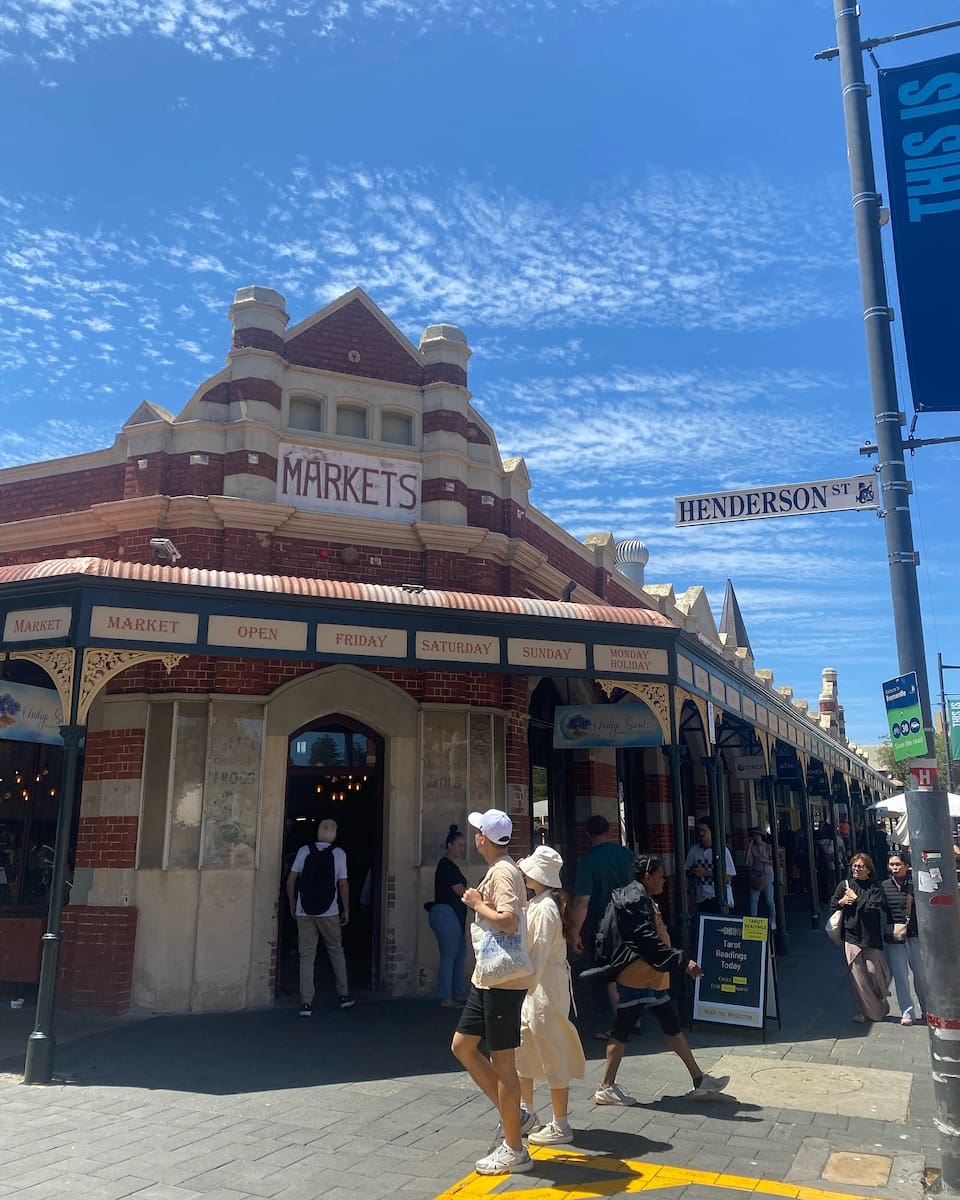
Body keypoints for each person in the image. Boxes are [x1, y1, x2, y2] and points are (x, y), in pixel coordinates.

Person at [586, 853, 728, 1105]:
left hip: (650, 977)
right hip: (640, 977)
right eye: (660, 877)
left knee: (669, 1027)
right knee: (623, 1030)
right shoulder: (637, 900)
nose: (664, 881)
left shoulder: (639, 897)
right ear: (647, 876)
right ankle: (606, 1086)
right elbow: (646, 941)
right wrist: (682, 961)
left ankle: (699, 1079)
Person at [451, 808, 535, 1177]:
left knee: (504, 1065)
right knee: (462, 1045)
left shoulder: (502, 871)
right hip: (486, 979)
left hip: (502, 982)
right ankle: (513, 1114)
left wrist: (476, 903)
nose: (474, 837)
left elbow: (509, 920)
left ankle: (515, 1149)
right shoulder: (501, 868)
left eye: (477, 832)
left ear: (484, 837)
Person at [514, 845, 586, 1146]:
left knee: (551, 1046)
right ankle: (527, 1111)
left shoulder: (544, 908)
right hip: (538, 985)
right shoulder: (540, 903)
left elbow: (538, 952)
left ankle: (560, 1122)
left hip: (544, 986)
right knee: (525, 1046)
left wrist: (521, 983)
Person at [567, 814, 635, 1034]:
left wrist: (574, 932)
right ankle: (635, 1019)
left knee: (612, 975)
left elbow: (581, 902)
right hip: (633, 918)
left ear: (588, 835)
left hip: (606, 923)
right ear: (609, 830)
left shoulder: (588, 862)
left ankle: (622, 1025)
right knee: (630, 968)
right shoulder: (626, 855)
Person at [285, 818, 354, 1014]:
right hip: (329, 911)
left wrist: (292, 903)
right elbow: (343, 884)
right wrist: (346, 909)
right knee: (335, 950)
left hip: (304, 910)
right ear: (335, 834)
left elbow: (291, 881)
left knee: (306, 955)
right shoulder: (339, 854)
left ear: (317, 832)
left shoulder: (304, 851)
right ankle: (344, 995)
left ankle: (306, 1002)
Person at [830, 851, 892, 1024]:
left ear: (868, 869)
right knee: (859, 978)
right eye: (854, 866)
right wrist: (842, 902)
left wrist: (856, 900)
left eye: (860, 866)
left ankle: (880, 1002)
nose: (856, 869)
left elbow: (872, 909)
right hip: (851, 934)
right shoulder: (845, 885)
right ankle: (868, 1012)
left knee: (875, 973)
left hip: (871, 936)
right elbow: (833, 904)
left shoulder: (874, 887)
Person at [881, 852, 926, 1026]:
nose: (894, 868)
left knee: (921, 975)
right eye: (891, 864)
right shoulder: (885, 885)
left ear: (907, 866)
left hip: (916, 933)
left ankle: (926, 1009)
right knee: (900, 975)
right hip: (896, 935)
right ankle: (907, 1012)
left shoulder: (916, 883)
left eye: (898, 864)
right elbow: (884, 907)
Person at [428, 824, 468, 1009]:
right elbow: (459, 890)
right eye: (459, 845)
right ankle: (446, 996)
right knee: (450, 955)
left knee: (460, 954)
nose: (461, 848)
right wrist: (478, 898)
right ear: (450, 845)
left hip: (453, 915)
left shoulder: (450, 866)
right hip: (446, 914)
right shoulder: (446, 865)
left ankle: (459, 992)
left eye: (462, 845)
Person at [684, 819, 736, 916]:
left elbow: (728, 877)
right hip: (701, 898)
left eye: (704, 830)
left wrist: (706, 873)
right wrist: (692, 872)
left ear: (711, 831)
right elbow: (686, 872)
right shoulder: (694, 850)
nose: (700, 833)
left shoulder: (723, 851)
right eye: (699, 830)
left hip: (720, 898)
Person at [746, 826, 776, 931]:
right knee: (754, 899)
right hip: (756, 873)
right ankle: (753, 920)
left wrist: (765, 860)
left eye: (757, 835)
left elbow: (775, 861)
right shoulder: (753, 847)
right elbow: (747, 859)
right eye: (753, 836)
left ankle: (773, 921)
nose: (755, 837)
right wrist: (749, 845)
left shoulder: (768, 847)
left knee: (769, 899)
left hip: (767, 873)